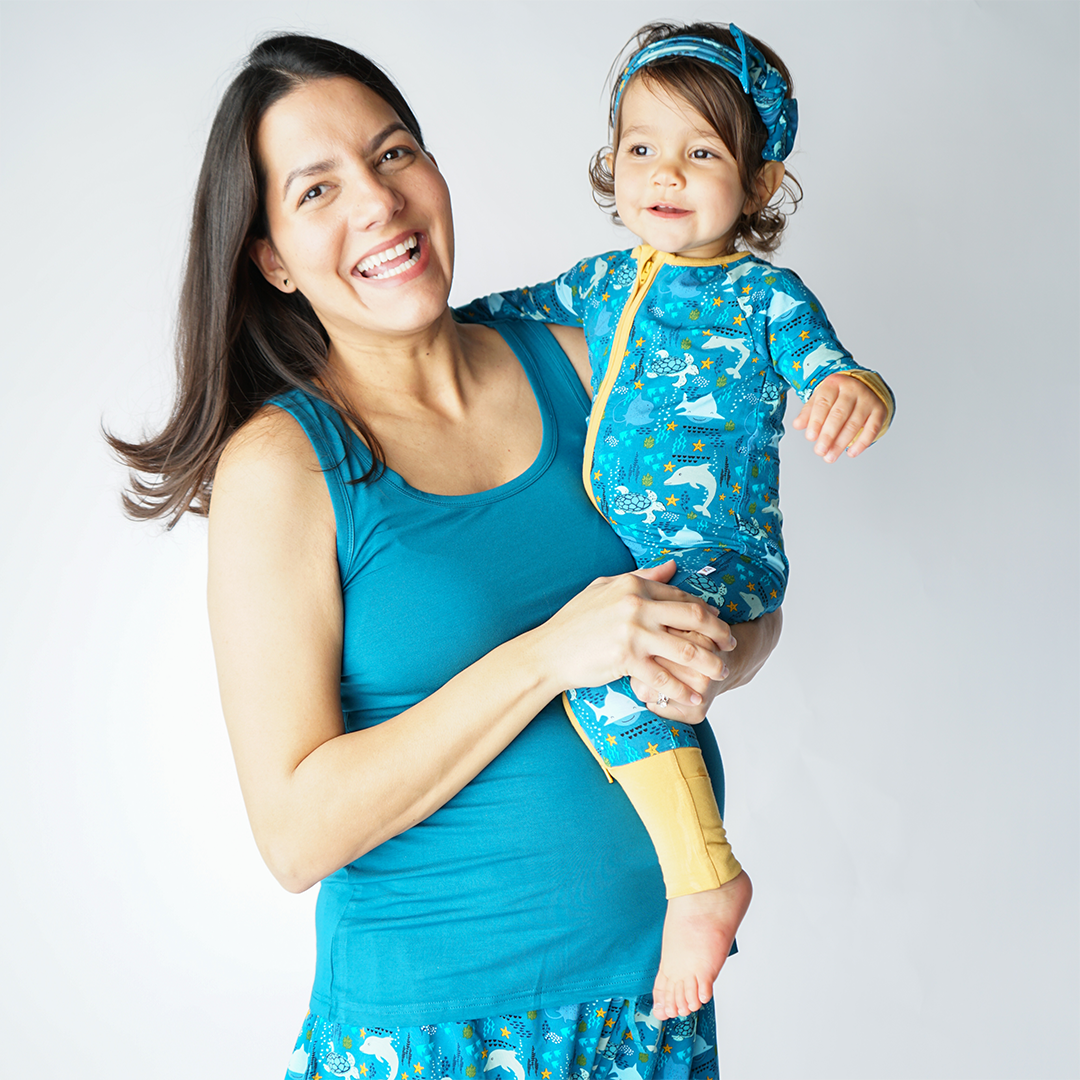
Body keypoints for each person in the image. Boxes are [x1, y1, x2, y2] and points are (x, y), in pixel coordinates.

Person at [106, 34, 783, 1079]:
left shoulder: (590, 364)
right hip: (431, 1039)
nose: (378, 203)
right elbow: (294, 836)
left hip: (650, 1008)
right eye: (318, 189)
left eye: (393, 154)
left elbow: (738, 578)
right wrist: (550, 656)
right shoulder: (284, 467)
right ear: (272, 257)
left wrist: (713, 652)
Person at [458, 20, 895, 1020]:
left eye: (703, 153)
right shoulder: (602, 280)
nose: (665, 173)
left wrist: (857, 393)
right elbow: (495, 315)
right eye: (642, 147)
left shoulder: (765, 297)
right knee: (601, 673)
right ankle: (686, 873)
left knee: (616, 673)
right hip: (640, 559)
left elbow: (834, 368)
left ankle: (705, 882)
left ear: (760, 182)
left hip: (721, 555)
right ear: (612, 162)